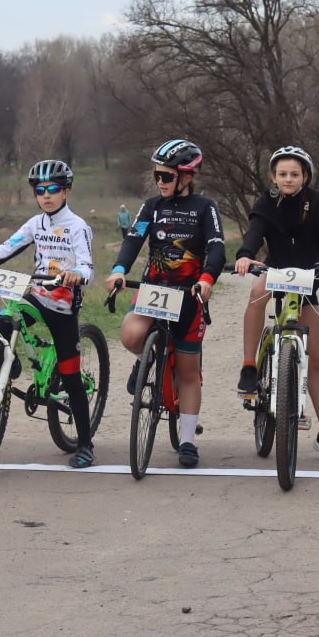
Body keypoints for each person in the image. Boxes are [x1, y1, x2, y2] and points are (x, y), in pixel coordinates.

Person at [0, 160, 97, 468]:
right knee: (0, 321)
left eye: (53, 189)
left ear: (66, 191)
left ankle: (85, 444)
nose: (46, 195)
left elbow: (87, 266)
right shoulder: (35, 224)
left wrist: (77, 274)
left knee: (70, 376)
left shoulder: (77, 226)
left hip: (63, 305)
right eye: (40, 191)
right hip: (38, 295)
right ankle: (10, 362)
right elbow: (4, 250)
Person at [105, 139, 225, 468]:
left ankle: (187, 440)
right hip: (155, 290)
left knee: (188, 371)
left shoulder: (205, 207)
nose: (160, 181)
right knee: (131, 334)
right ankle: (147, 359)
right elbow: (134, 238)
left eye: (167, 176)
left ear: (187, 177)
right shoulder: (151, 206)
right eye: (156, 175)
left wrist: (207, 279)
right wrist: (119, 270)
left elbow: (216, 247)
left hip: (189, 295)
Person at [234, 146, 319, 463]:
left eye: (295, 174)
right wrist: (245, 255)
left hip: (307, 277)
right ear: (273, 177)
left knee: (316, 359)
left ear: (305, 177)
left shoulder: (317, 202)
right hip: (275, 270)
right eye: (282, 174)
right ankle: (249, 366)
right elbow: (255, 232)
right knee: (257, 291)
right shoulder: (265, 202)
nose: (288, 179)